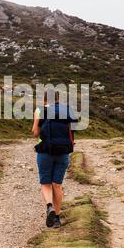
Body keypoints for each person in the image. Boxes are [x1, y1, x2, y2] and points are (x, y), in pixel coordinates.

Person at [32, 91, 76, 229]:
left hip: (45, 151)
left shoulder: (40, 110)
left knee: (46, 184)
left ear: (45, 99)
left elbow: (35, 132)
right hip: (63, 151)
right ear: (58, 99)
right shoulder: (67, 110)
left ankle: (49, 206)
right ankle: (57, 218)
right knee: (57, 185)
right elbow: (72, 131)